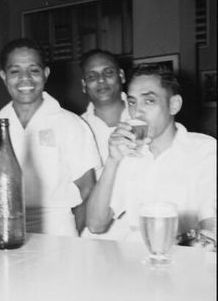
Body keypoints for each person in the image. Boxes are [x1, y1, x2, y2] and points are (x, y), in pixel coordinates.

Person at [0, 38, 100, 236]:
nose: (25, 78)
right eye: (15, 71)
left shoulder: (70, 124)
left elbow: (88, 189)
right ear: (3, 76)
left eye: (34, 70)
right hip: (8, 229)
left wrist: (72, 237)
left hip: (59, 231)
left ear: (45, 74)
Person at [85, 63, 216, 243]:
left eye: (149, 101)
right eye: (132, 102)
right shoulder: (129, 152)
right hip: (134, 259)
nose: (137, 111)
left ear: (174, 105)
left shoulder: (203, 150)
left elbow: (211, 222)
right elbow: (95, 224)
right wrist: (113, 160)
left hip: (184, 255)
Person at [80, 49, 130, 178]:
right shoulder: (77, 129)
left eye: (108, 73)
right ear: (84, 85)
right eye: (92, 76)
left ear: (122, 75)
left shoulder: (144, 117)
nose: (101, 80)